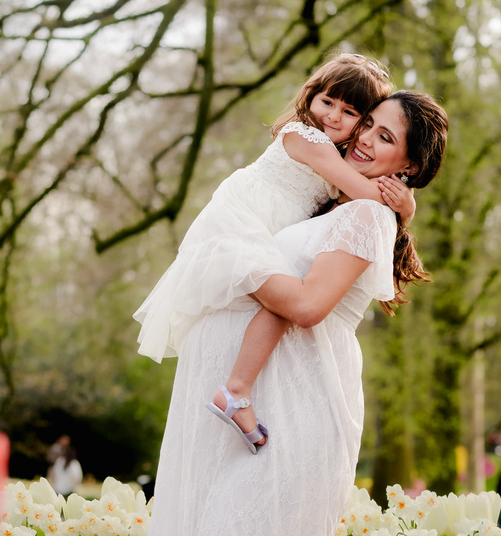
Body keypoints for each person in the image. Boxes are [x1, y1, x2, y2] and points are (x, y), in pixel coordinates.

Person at [135, 92, 448, 536]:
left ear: (410, 166)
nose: (365, 139)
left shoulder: (369, 216)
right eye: (367, 124)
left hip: (302, 408)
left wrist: (228, 259)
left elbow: (306, 306)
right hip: (257, 408)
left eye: (385, 137)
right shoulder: (331, 203)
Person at [134, 53, 415, 453]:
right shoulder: (306, 137)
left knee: (289, 296)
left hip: (269, 228)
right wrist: (406, 206)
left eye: (351, 112)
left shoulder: (333, 155)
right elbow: (367, 193)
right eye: (327, 102)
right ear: (310, 95)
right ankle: (237, 388)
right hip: (245, 221)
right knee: (288, 295)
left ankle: (237, 388)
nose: (333, 116)